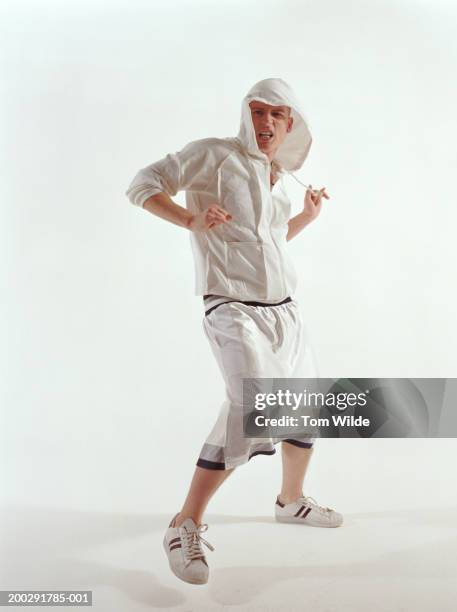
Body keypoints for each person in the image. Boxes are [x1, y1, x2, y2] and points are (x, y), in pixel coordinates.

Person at [125, 77, 343, 586]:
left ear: (291, 123)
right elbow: (141, 184)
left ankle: (290, 502)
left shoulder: (277, 174)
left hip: (284, 311)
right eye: (257, 111)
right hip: (230, 306)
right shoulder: (212, 154)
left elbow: (265, 242)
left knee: (303, 405)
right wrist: (189, 219)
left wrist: (307, 218)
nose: (265, 123)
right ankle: (184, 524)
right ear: (245, 114)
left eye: (277, 115)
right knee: (254, 402)